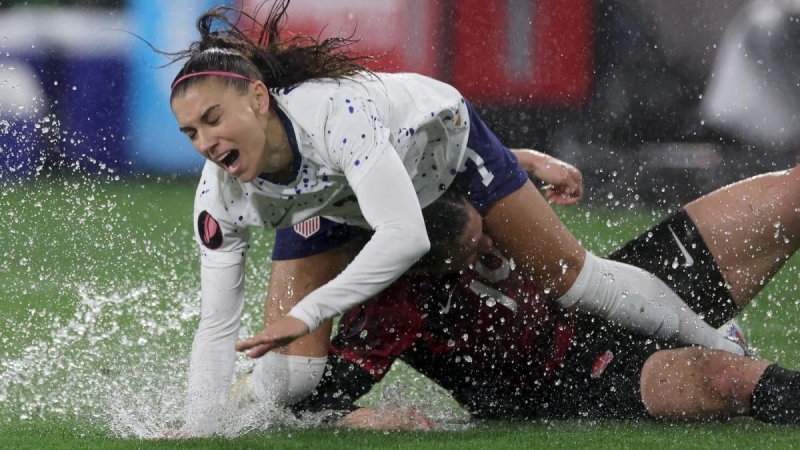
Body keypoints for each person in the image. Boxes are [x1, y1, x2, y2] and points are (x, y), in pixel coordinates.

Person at [167, 0, 744, 434]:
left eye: (214, 119)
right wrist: (196, 430)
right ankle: (247, 405)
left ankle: (719, 339)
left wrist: (312, 311)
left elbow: (405, 235)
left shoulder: (333, 114)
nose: (205, 142)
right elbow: (217, 325)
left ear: (260, 99)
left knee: (575, 280)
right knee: (292, 381)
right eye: (191, 132)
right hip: (343, 197)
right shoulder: (219, 197)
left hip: (443, 151)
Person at [281, 163, 800, 429]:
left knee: (791, 192)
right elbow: (302, 403)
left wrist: (526, 161)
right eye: (472, 252)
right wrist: (365, 418)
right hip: (577, 380)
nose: (494, 240)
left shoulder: (437, 171)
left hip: (610, 292)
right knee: (730, 376)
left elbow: (473, 143)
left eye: (485, 229)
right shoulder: (391, 309)